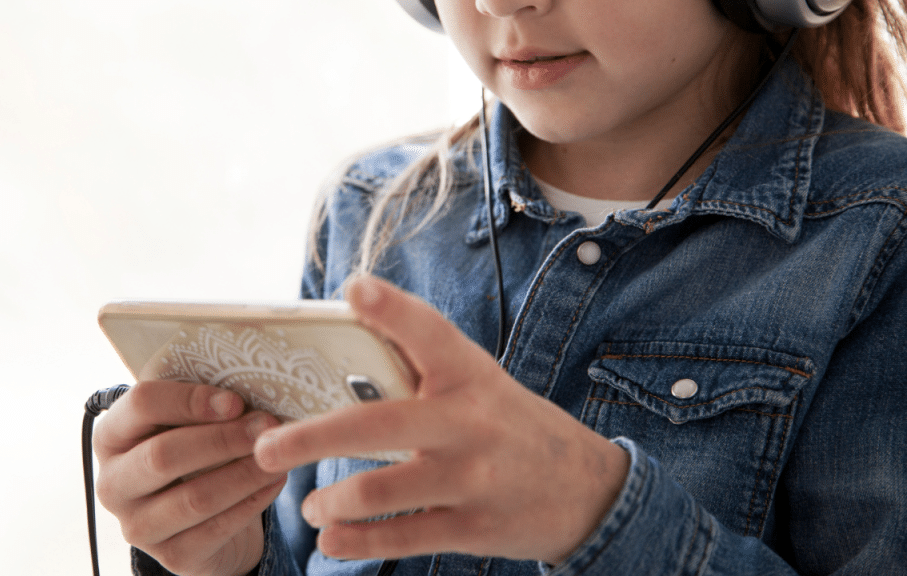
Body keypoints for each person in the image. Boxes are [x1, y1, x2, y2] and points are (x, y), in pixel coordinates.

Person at [93, 0, 907, 574]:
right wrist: (222, 555)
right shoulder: (373, 212)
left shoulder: (879, 236)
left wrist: (596, 513)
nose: (500, 2)